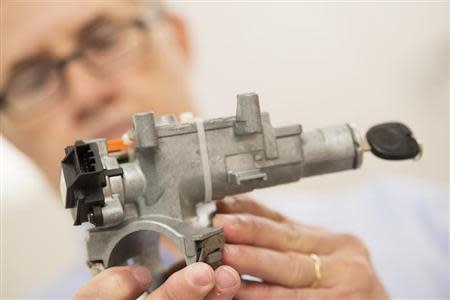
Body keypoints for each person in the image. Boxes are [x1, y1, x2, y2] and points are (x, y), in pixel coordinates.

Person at [1, 1, 390, 299]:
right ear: (8, 136)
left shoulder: (417, 222)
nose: (87, 92)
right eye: (32, 80)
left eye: (104, 40)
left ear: (178, 40)